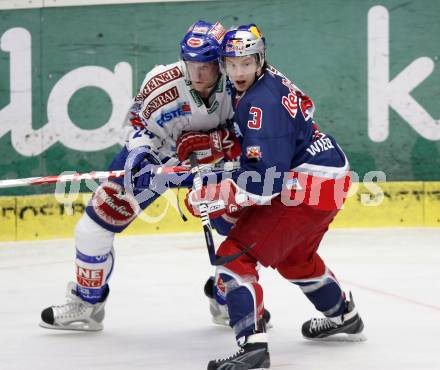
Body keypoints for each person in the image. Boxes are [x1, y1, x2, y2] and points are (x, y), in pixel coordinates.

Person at [39, 20, 245, 331]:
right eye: (191, 64)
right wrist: (139, 155)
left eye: (205, 65)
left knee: (241, 224)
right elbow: (140, 126)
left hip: (217, 164)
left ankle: (228, 298)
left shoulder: (241, 81)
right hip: (161, 160)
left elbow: (259, 133)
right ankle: (87, 303)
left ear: (220, 61)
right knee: (95, 224)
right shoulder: (160, 82)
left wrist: (217, 143)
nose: (198, 74)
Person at [182, 24, 365, 369]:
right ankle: (343, 316)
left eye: (246, 63)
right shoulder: (264, 82)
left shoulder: (260, 103)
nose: (238, 72)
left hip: (307, 186)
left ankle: (253, 349)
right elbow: (266, 148)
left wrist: (214, 195)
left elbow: (265, 184)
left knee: (234, 258)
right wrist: (218, 154)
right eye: (232, 63)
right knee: (295, 259)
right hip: (327, 176)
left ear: (260, 59)